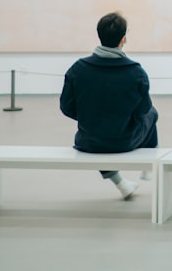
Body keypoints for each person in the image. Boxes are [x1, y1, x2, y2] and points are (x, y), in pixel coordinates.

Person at [60, 12, 159, 199]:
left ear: (99, 35)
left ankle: (120, 183)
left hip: (88, 141)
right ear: (124, 39)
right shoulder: (135, 72)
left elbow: (67, 107)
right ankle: (149, 163)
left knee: (98, 129)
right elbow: (142, 110)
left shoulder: (77, 69)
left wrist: (89, 117)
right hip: (125, 141)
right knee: (152, 113)